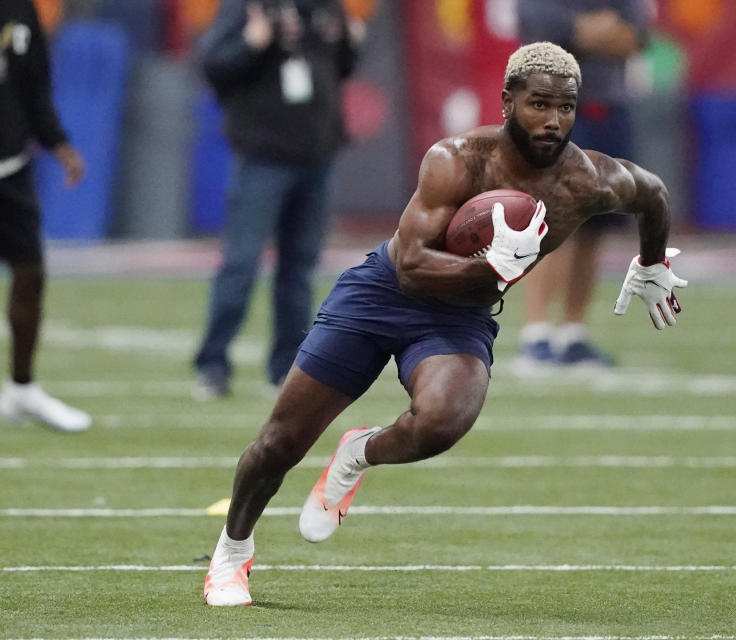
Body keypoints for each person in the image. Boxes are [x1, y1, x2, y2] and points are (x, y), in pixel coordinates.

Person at [202, 41, 687, 606]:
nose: (553, 121)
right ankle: (232, 552)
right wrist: (491, 266)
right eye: (538, 105)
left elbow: (652, 194)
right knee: (281, 440)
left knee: (444, 421)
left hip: (460, 315)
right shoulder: (457, 158)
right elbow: (410, 263)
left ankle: (359, 452)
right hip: (383, 294)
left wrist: (651, 263)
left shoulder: (587, 181)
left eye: (566, 107)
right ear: (507, 102)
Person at [192, 0, 361, 400]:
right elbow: (214, 66)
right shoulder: (246, 6)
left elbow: (341, 68)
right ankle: (213, 364)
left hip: (316, 154)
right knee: (240, 264)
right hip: (262, 157)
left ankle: (286, 368)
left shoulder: (325, 8)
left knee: (299, 270)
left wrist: (349, 44)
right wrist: (253, 44)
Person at [513, 0, 651, 370]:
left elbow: (636, 36)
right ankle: (537, 333)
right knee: (552, 220)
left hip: (610, 108)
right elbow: (547, 42)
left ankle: (573, 333)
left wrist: (589, 34)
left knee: (597, 224)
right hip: (552, 109)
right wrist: (594, 31)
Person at [0, 0, 91, 432]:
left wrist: (58, 142)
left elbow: (34, 82)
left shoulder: (20, 7)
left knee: (31, 272)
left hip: (10, 164)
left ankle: (21, 388)